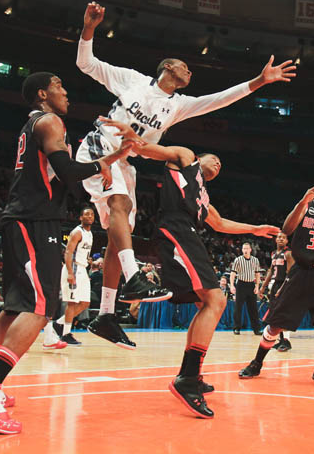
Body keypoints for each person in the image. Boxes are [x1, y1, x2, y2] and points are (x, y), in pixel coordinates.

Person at [74, 2, 296, 348]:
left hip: (127, 163)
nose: (190, 72)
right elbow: (85, 64)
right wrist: (89, 28)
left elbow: (219, 99)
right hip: (101, 149)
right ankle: (134, 278)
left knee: (121, 236)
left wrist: (259, 81)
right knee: (118, 207)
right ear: (167, 67)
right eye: (185, 67)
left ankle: (105, 315)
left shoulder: (177, 105)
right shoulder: (131, 81)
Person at [0, 72, 136, 435]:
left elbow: (61, 173)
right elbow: (68, 172)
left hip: (29, 218)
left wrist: (109, 158)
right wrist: (102, 164)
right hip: (34, 220)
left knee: (16, 308)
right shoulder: (51, 120)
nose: (66, 91)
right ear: (43, 93)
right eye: (59, 85)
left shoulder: (36, 124)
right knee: (40, 309)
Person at [103, 117, 279, 418]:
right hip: (176, 229)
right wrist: (137, 139)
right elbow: (151, 151)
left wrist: (256, 228)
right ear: (202, 158)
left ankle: (191, 374)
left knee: (205, 303)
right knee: (217, 300)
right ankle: (187, 377)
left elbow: (220, 223)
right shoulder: (186, 157)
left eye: (222, 165)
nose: (219, 165)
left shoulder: (203, 196)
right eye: (216, 159)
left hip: (185, 234)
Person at [238, 175, 314, 388]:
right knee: (275, 326)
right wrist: (302, 202)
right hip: (301, 272)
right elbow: (286, 229)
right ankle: (257, 362)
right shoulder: (306, 207)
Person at [44, 207, 95, 348]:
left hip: (83, 268)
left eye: (91, 214)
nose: (89, 216)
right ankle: (66, 333)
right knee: (72, 303)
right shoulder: (77, 232)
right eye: (86, 214)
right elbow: (68, 252)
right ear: (80, 217)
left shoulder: (89, 234)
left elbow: (81, 252)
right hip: (74, 268)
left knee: (85, 303)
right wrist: (70, 272)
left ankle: (59, 324)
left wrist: (90, 261)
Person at [258, 231, 294, 351]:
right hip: (274, 285)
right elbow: (270, 271)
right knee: (276, 314)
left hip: (284, 284)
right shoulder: (274, 253)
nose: (280, 239)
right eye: (279, 237)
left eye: (283, 237)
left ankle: (287, 341)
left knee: (283, 314)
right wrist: (263, 286)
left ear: (287, 241)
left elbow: (290, 273)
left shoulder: (288, 253)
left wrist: (283, 288)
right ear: (275, 240)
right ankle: (281, 340)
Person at [229, 243, 262, 336]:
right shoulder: (238, 260)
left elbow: (257, 274)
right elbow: (233, 273)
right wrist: (231, 285)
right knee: (238, 307)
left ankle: (256, 329)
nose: (245, 250)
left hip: (251, 284)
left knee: (253, 308)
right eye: (244, 248)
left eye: (247, 248)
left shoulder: (255, 260)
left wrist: (257, 286)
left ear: (250, 249)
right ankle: (236, 328)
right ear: (242, 250)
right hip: (241, 284)